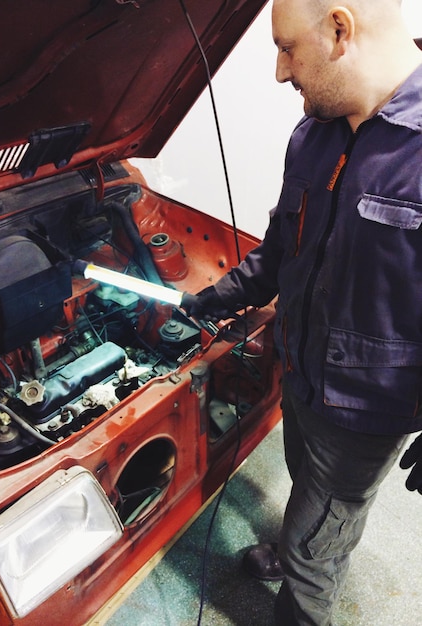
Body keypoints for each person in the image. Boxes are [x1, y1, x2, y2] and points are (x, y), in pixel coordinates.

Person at [181, 0, 422, 623]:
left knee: (322, 545)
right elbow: (284, 249)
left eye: (287, 48)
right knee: (307, 490)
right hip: (298, 369)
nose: (281, 72)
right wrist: (216, 298)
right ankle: (301, 543)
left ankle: (305, 579)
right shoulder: (314, 134)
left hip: (365, 410)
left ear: (340, 30)